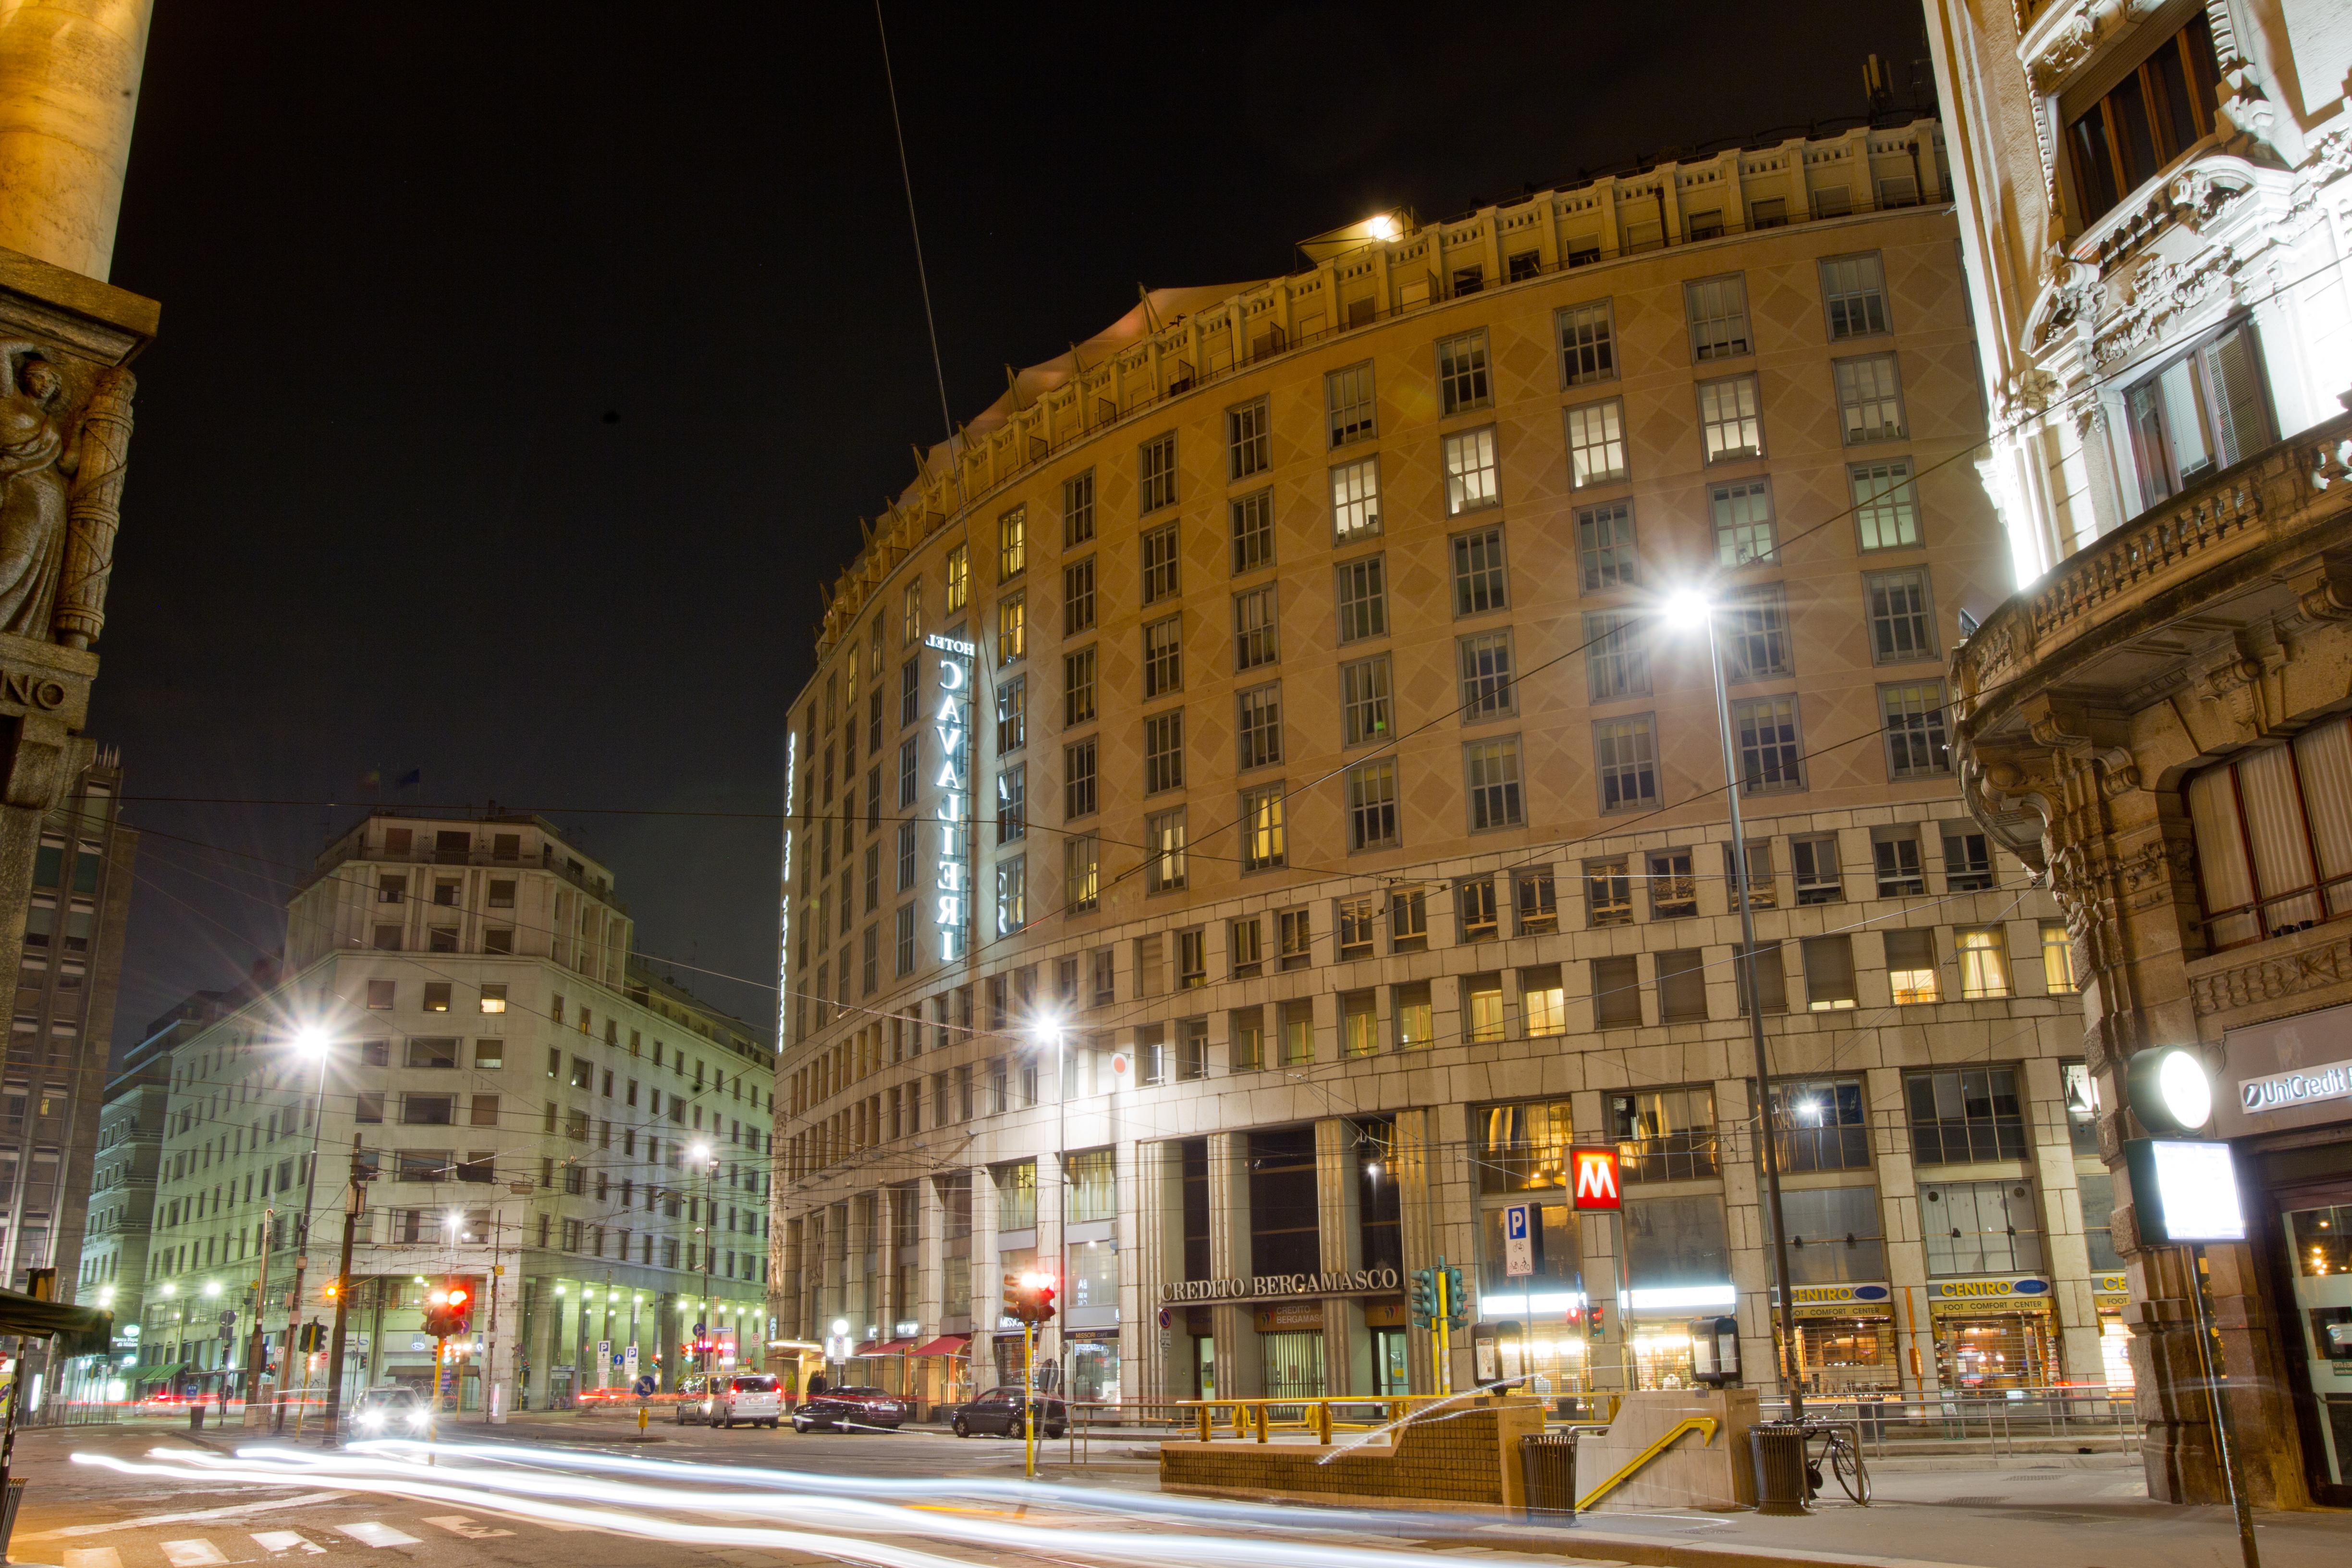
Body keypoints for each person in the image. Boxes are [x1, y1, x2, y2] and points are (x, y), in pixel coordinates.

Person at [0, 347, 76, 638]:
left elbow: (68, 465)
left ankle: (20, 634)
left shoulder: (52, 423)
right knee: (14, 559)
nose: (46, 385)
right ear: (25, 377)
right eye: (41, 377)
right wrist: (35, 345)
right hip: (20, 485)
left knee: (37, 570)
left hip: (53, 499)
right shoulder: (10, 397)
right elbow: (2, 347)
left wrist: (82, 428)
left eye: (53, 383)